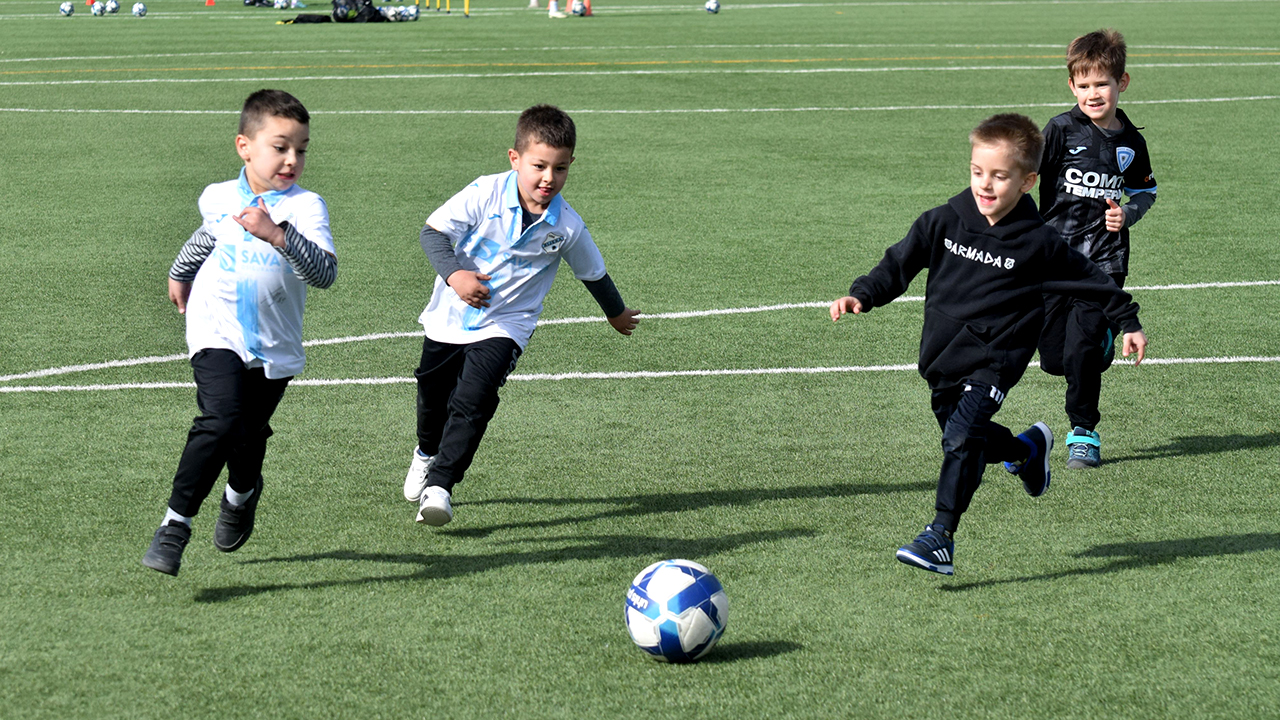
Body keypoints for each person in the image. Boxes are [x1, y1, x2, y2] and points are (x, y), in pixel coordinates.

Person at [830, 113, 1147, 576]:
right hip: (943, 355)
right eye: (978, 172)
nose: (985, 184)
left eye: (1000, 176)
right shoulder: (944, 220)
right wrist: (863, 293)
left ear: (1027, 181)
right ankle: (1026, 452)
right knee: (962, 435)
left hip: (996, 359)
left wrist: (1127, 319)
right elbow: (899, 262)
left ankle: (939, 536)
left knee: (961, 436)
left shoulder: (1038, 243)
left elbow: (1091, 281)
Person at [405, 104, 640, 526]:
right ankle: (426, 451)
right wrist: (456, 275)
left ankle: (440, 486)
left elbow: (594, 273)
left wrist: (616, 313)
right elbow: (432, 232)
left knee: (474, 401)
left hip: (507, 324)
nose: (549, 178)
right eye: (539, 166)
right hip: (449, 317)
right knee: (432, 398)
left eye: (560, 168)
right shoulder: (484, 192)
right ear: (514, 160)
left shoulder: (566, 225)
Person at [141, 89, 337, 576]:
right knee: (221, 421)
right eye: (280, 147)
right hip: (215, 329)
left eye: (302, 149)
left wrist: (277, 233)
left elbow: (325, 273)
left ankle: (241, 494)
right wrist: (179, 273)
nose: (293, 159)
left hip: (275, 343)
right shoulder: (217, 196)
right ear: (244, 146)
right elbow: (206, 236)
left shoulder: (307, 207)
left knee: (248, 437)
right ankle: (174, 526)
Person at [1037, 29, 1158, 468]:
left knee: (1079, 351)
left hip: (1104, 264)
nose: (1093, 93)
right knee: (1054, 359)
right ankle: (1102, 342)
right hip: (1053, 260)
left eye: (1102, 84)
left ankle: (1083, 432)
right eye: (1084, 85)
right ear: (1072, 86)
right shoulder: (1060, 131)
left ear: (1121, 83)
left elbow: (1147, 192)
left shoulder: (1131, 143)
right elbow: (1028, 176)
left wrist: (1128, 214)